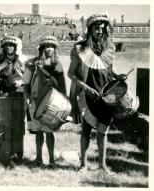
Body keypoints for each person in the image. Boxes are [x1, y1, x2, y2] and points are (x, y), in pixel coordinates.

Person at [68, 13, 127, 173]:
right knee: (86, 130)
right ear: (90, 29)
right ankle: (83, 166)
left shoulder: (109, 47)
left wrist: (118, 76)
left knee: (103, 130)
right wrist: (87, 88)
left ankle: (102, 165)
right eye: (97, 28)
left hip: (107, 94)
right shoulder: (80, 49)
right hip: (88, 94)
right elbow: (71, 74)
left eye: (103, 29)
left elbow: (111, 69)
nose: (100, 31)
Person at [23, 36, 67, 166]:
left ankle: (52, 160)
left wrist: (64, 104)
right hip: (35, 100)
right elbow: (26, 84)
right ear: (41, 49)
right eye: (46, 47)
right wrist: (27, 97)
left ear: (55, 49)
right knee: (38, 131)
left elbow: (62, 85)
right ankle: (38, 158)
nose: (49, 49)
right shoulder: (32, 64)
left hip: (53, 103)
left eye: (52, 47)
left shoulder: (57, 65)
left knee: (50, 131)